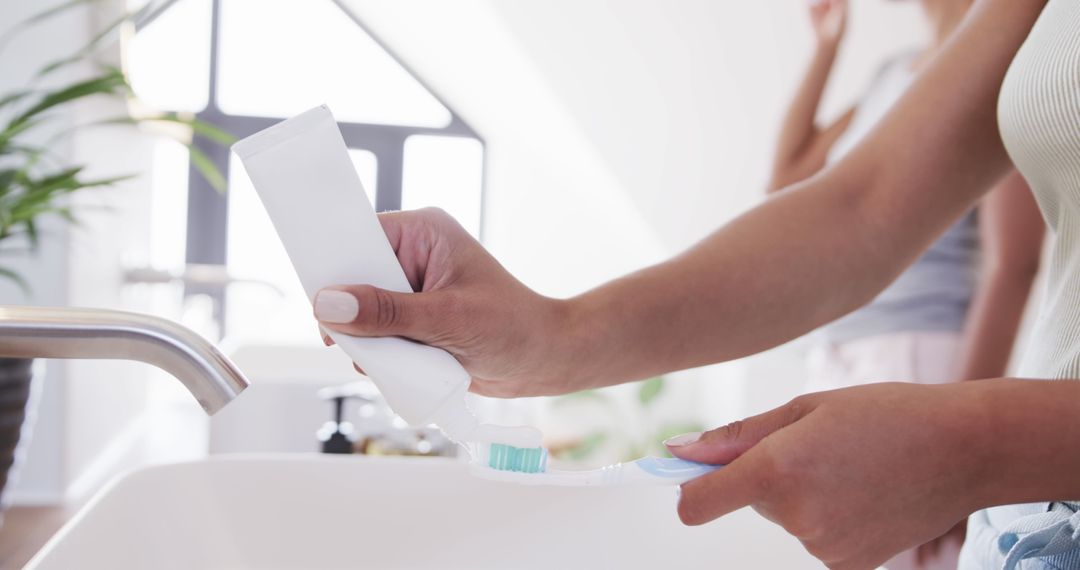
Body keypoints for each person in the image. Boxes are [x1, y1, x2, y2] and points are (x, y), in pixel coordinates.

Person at [313, 1, 1079, 568]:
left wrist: (973, 440)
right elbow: (862, 204)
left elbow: (1001, 267)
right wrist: (553, 335)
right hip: (1036, 524)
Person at [768, 1, 1045, 568]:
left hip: (917, 358)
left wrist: (962, 441)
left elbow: (1011, 266)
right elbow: (788, 181)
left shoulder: (995, 70)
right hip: (836, 351)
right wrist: (827, 46)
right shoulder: (894, 72)